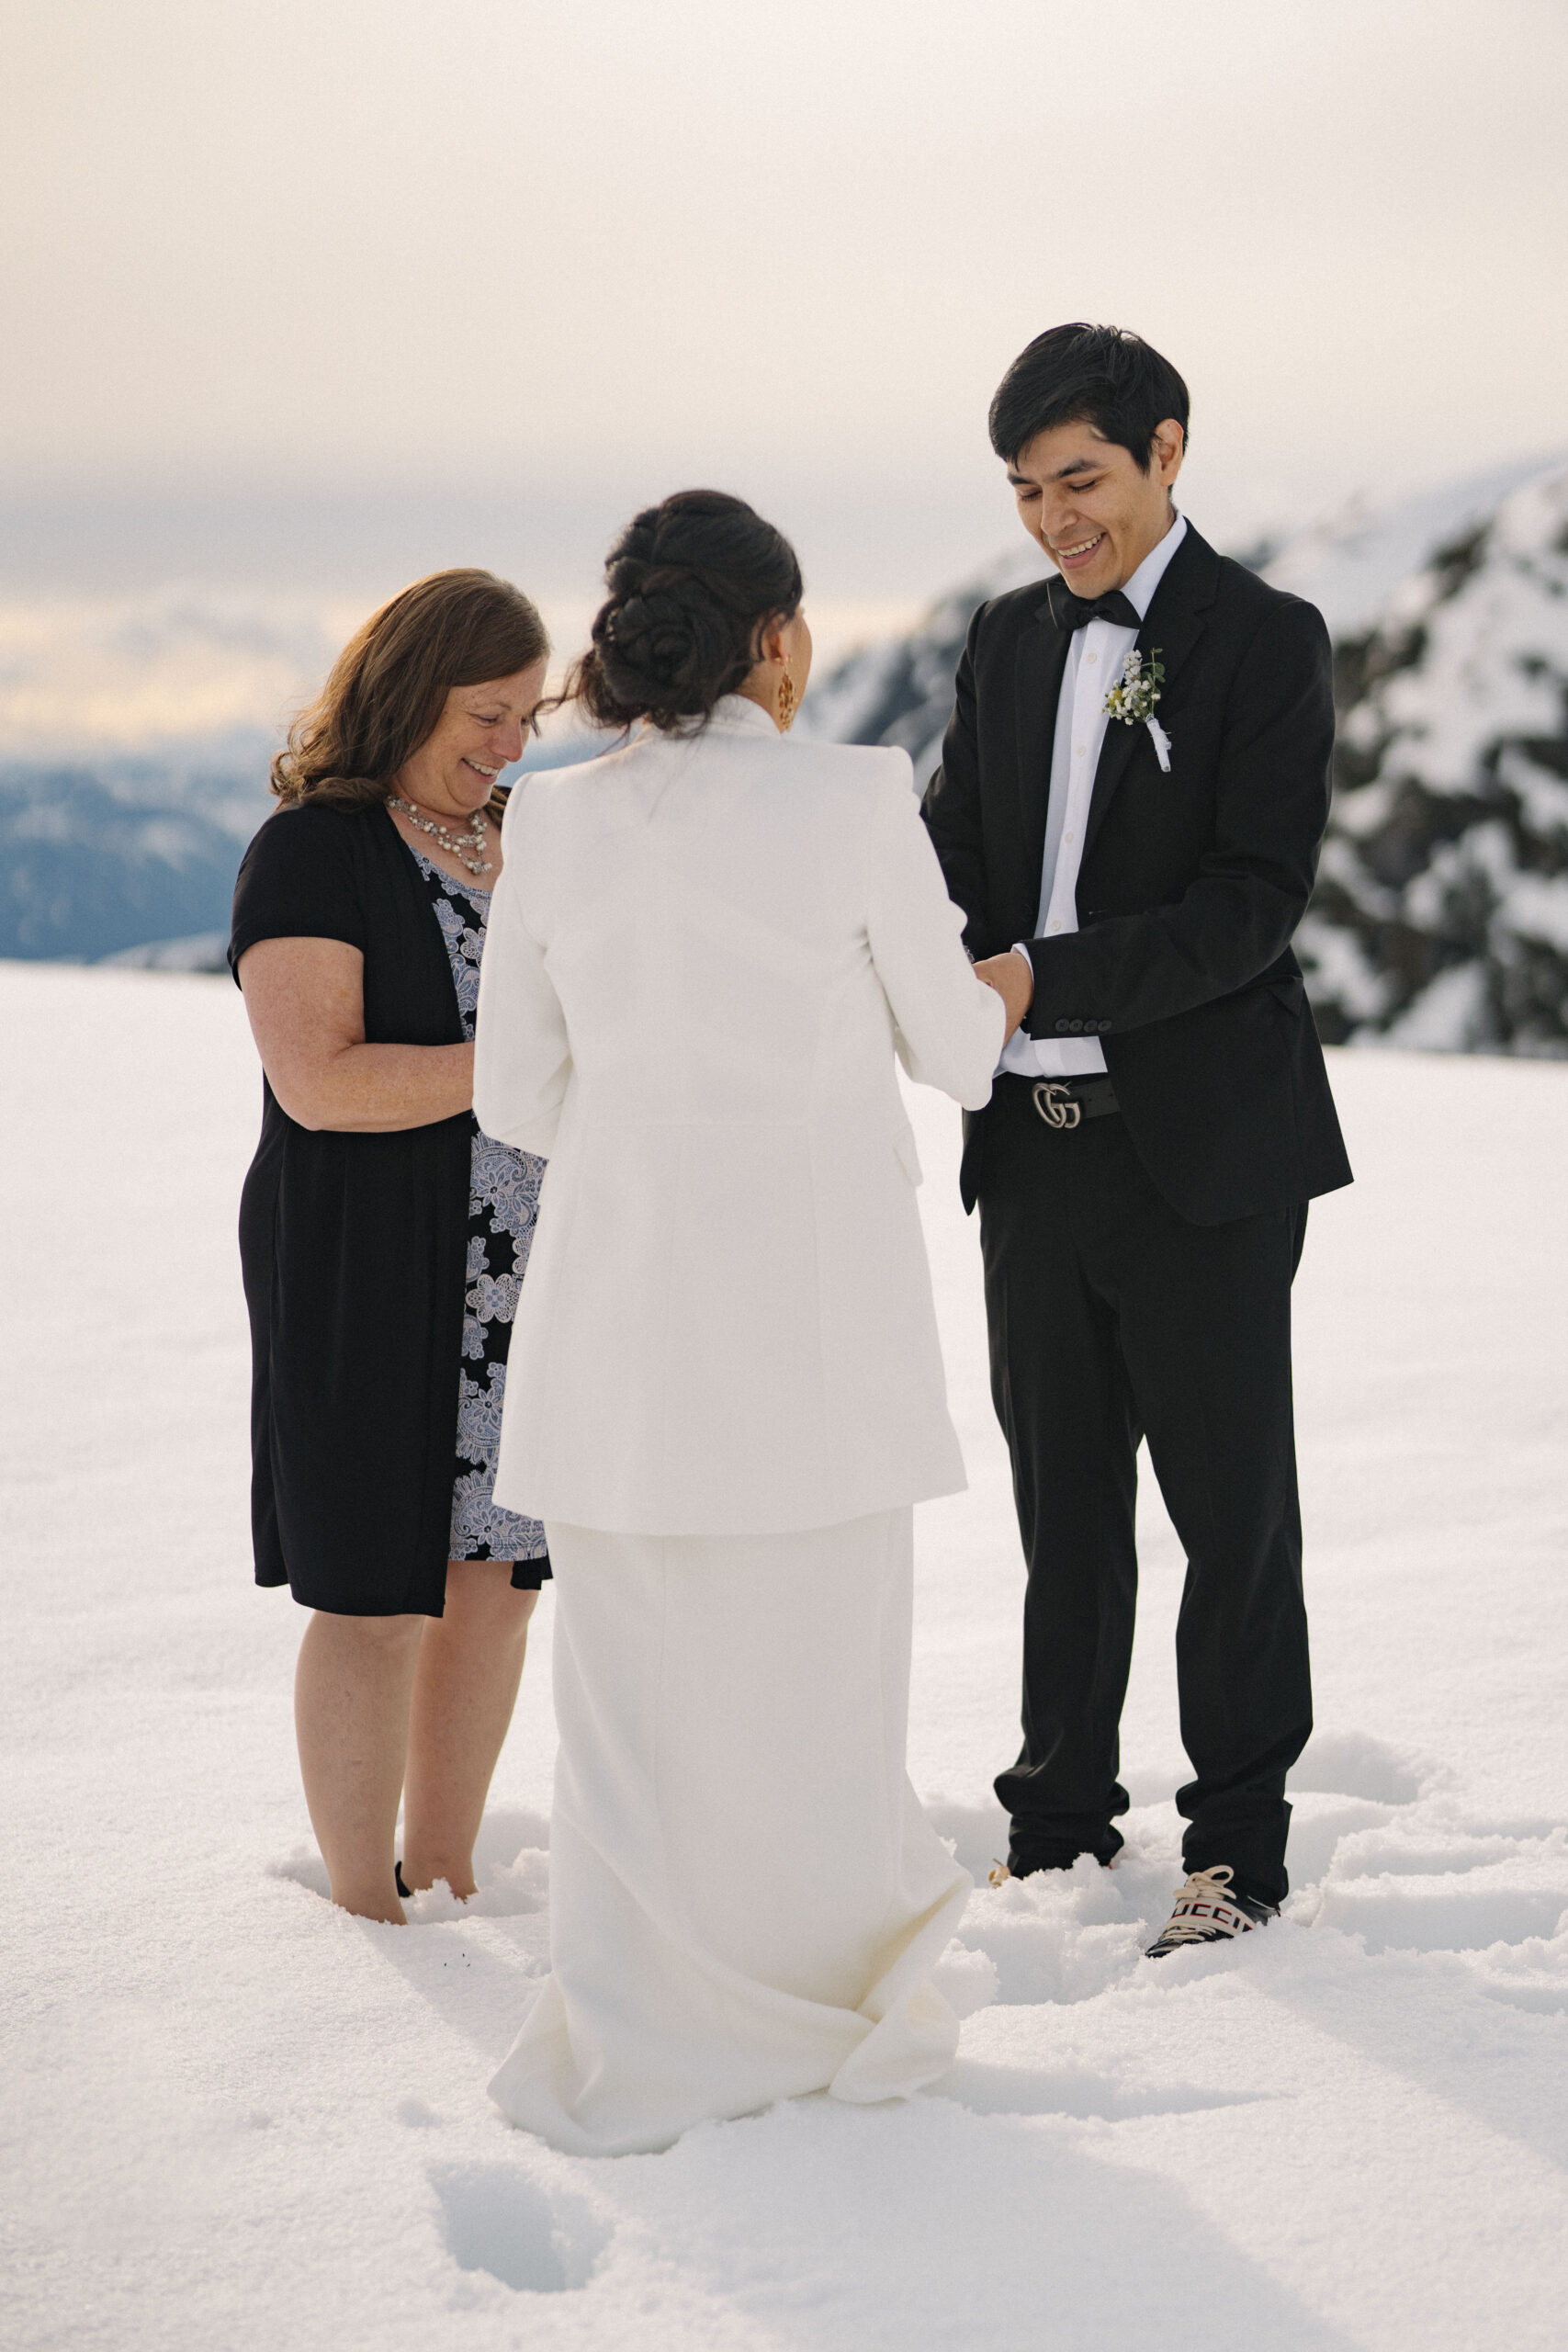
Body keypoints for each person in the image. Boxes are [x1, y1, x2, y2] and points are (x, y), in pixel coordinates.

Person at [470, 490, 1011, 2154]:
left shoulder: (549, 823)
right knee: (821, 1700)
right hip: (819, 1333)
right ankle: (823, 2001)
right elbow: (963, 1056)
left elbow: (516, 1093)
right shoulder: (857, 801)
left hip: (624, 1331)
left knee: (635, 1711)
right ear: (775, 641)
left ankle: (647, 2016)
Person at [921, 324, 1353, 1959]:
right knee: (1062, 1506)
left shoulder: (1267, 638)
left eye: (1082, 480)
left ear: (1169, 452)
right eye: (1028, 490)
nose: (1053, 520)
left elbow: (1252, 906)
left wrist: (1046, 976)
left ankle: (1235, 1847)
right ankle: (1054, 1828)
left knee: (1231, 1508)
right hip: (1028, 1147)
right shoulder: (1005, 640)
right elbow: (957, 852)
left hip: (1205, 1154)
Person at [230, 569, 554, 1925]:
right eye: (487, 713)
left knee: (496, 1579)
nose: (510, 746)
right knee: (374, 1588)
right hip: (368, 1264)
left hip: (527, 1265)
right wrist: (523, 1061)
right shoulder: (315, 849)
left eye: (530, 718)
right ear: (407, 691)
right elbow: (321, 1083)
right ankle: (365, 1906)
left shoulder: (533, 840)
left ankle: (455, 1871)